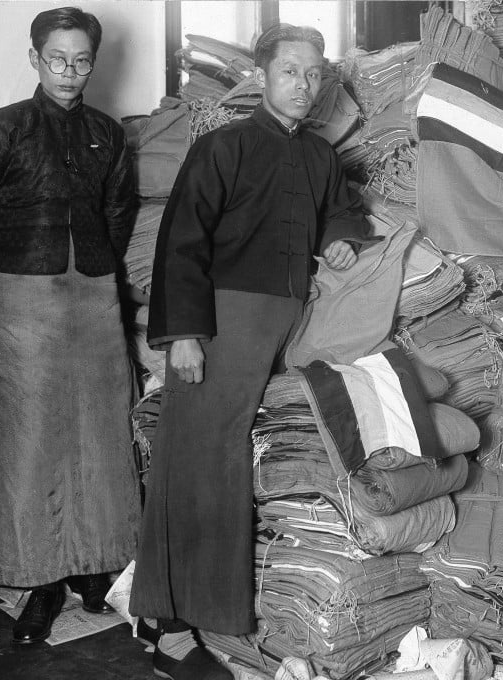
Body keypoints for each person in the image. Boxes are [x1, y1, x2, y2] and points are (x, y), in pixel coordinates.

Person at [128, 23, 370, 680]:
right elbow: (181, 242)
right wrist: (184, 335)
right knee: (199, 459)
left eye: (314, 74)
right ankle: (169, 630)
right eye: (291, 71)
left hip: (288, 322)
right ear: (262, 76)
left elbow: (342, 210)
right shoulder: (223, 146)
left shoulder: (319, 156)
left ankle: (197, 612)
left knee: (240, 457)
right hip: (221, 321)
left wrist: (342, 236)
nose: (304, 84)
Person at [0, 7, 140, 644]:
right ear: (34, 59)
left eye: (81, 61)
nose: (69, 72)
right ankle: (40, 581)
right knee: (27, 442)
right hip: (18, 306)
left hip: (93, 302)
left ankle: (95, 567)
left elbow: (118, 213)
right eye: (57, 59)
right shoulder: (1, 127)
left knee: (98, 433)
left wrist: (97, 269)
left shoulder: (107, 133)